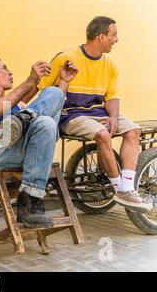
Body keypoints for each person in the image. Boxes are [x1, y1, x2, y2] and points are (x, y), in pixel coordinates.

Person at [24, 16, 152, 213]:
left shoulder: (110, 65)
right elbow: (39, 87)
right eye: (114, 35)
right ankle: (120, 190)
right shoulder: (65, 58)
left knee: (134, 130)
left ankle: (127, 187)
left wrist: (114, 116)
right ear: (100, 36)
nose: (117, 39)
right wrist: (17, 108)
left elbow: (112, 97)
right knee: (102, 134)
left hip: (97, 113)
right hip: (70, 115)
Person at [0, 57, 78, 228]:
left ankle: (29, 204)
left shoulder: (18, 105)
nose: (10, 72)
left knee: (51, 107)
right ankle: (22, 121)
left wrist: (63, 81)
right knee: (40, 120)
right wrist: (30, 81)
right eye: (5, 68)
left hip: (23, 152)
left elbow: (52, 109)